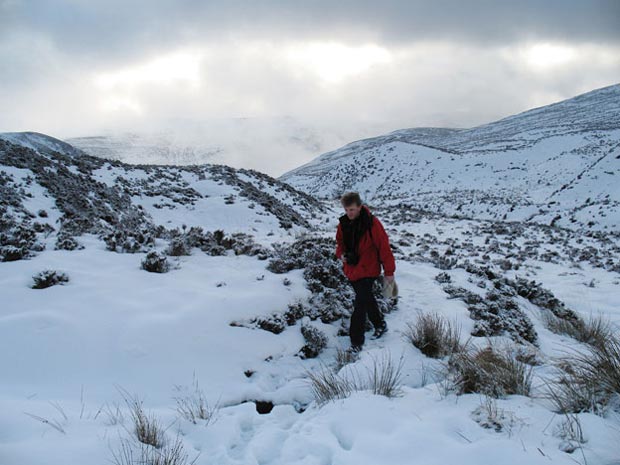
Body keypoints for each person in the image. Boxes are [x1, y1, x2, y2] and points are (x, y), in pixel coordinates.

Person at [335, 192, 396, 354]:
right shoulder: (343, 224)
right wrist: (341, 255)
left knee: (359, 305)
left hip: (369, 270)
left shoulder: (372, 223)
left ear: (360, 207)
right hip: (352, 270)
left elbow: (384, 247)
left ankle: (356, 342)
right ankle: (380, 324)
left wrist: (389, 272)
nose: (349, 213)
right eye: (347, 210)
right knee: (367, 299)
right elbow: (339, 243)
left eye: (353, 210)